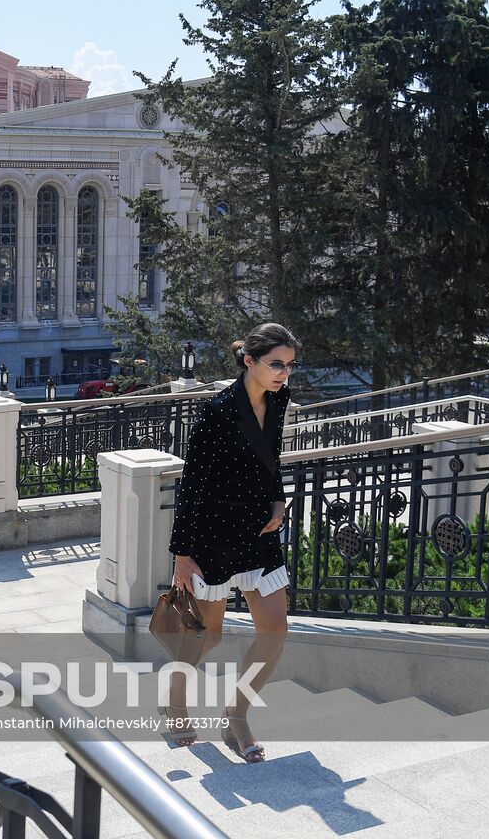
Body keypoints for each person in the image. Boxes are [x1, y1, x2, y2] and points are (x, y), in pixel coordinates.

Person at [165, 322, 299, 763]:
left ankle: (235, 715)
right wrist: (182, 555)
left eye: (289, 366)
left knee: (274, 631)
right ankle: (175, 704)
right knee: (209, 635)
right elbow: (192, 485)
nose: (283, 374)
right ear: (250, 362)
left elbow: (271, 457)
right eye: (276, 365)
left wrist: (278, 501)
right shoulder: (217, 411)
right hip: (215, 537)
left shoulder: (278, 401)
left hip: (260, 534)